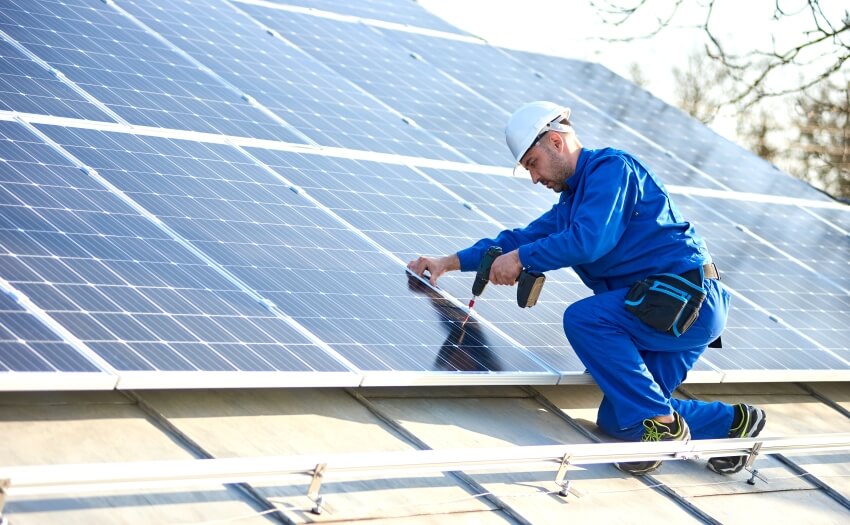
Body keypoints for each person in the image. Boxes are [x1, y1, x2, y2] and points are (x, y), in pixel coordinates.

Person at [407, 101, 766, 475]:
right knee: (622, 419)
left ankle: (665, 429)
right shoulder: (571, 205)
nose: (533, 178)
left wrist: (523, 259)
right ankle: (733, 422)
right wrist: (448, 262)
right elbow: (518, 239)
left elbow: (590, 241)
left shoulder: (612, 170)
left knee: (584, 319)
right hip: (659, 313)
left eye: (532, 163)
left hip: (686, 301)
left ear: (556, 143)